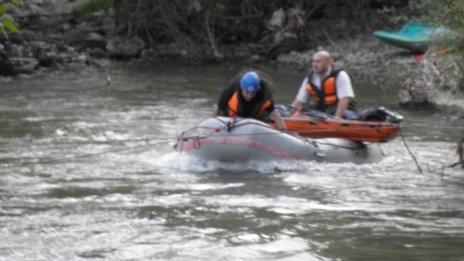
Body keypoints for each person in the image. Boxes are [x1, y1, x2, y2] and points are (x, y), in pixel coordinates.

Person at [291, 50, 358, 119]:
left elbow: (344, 99)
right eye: (313, 61)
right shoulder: (309, 78)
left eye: (318, 61)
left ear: (328, 62)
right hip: (322, 111)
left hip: (344, 111)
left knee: (348, 115)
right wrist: (290, 114)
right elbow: (299, 101)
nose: (314, 65)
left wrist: (337, 118)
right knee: (300, 112)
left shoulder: (340, 75)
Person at [213, 71, 287, 131]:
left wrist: (283, 130)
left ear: (257, 90)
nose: (249, 96)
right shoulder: (231, 90)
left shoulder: (264, 94)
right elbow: (218, 108)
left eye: (252, 93)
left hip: (255, 121)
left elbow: (274, 113)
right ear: (242, 87)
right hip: (232, 120)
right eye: (246, 92)